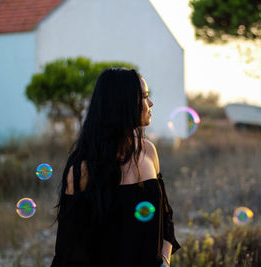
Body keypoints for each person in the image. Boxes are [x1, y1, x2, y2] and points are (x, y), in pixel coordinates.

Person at [50, 67, 180, 267]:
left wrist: (164, 260)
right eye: (144, 97)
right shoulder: (83, 169)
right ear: (123, 103)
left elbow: (166, 217)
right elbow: (71, 248)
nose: (150, 103)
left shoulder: (148, 151)